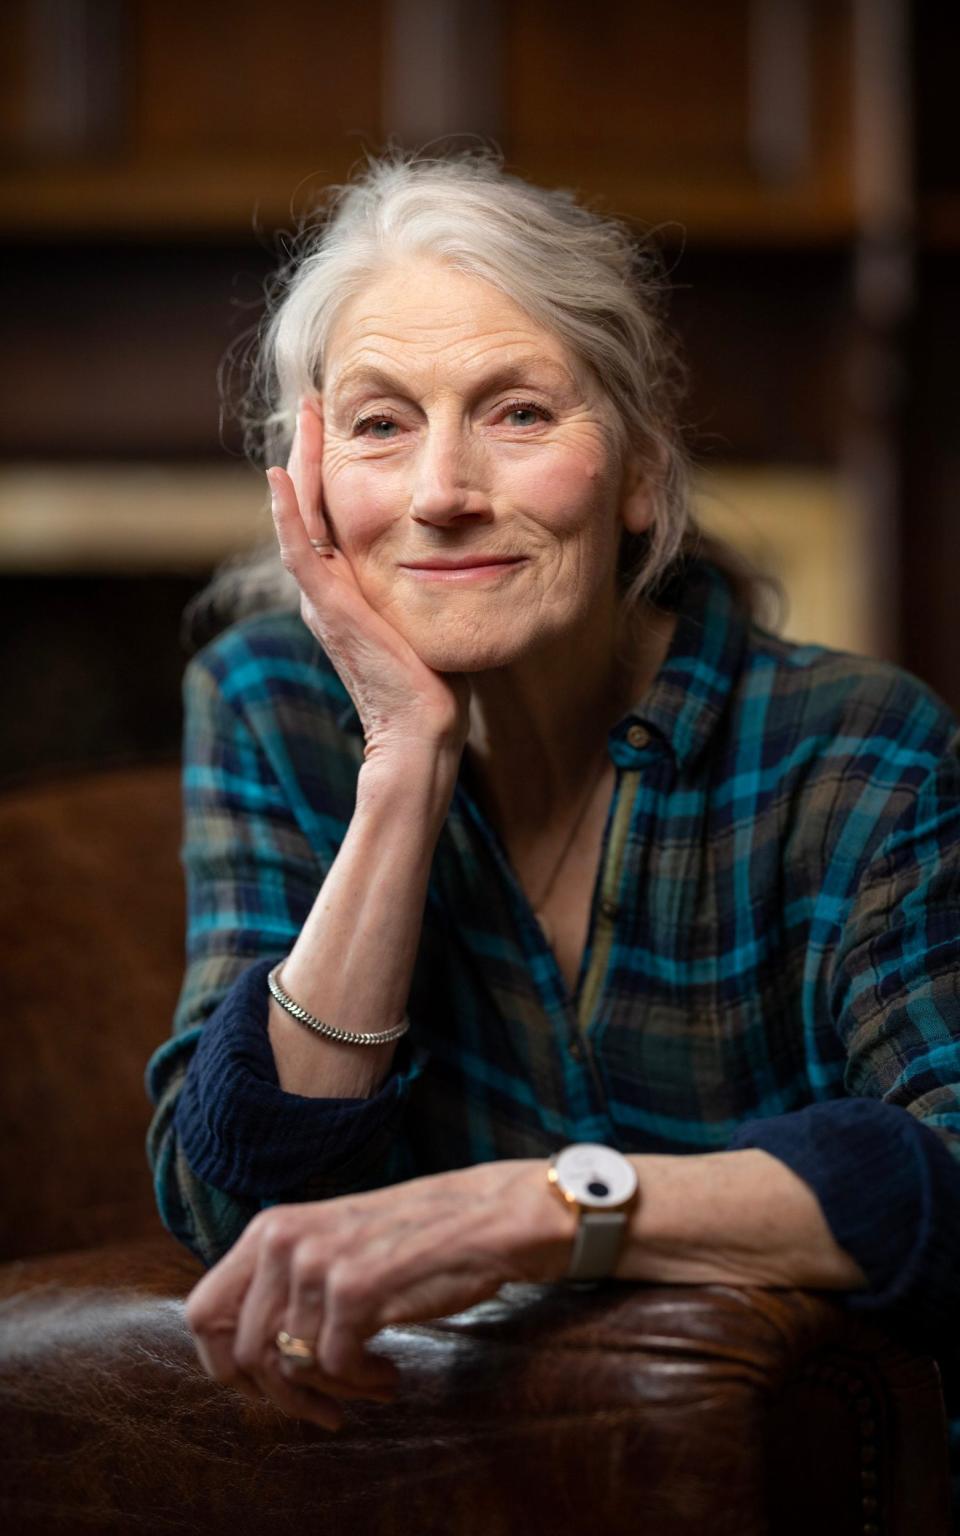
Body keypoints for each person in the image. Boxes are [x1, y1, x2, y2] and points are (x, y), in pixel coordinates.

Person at [145, 148, 960, 1500]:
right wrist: (404, 768)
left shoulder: (851, 749)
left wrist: (543, 1209)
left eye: (518, 413)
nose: (443, 490)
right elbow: (231, 1193)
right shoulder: (267, 704)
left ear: (638, 470)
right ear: (310, 481)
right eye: (381, 423)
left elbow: (948, 1165)